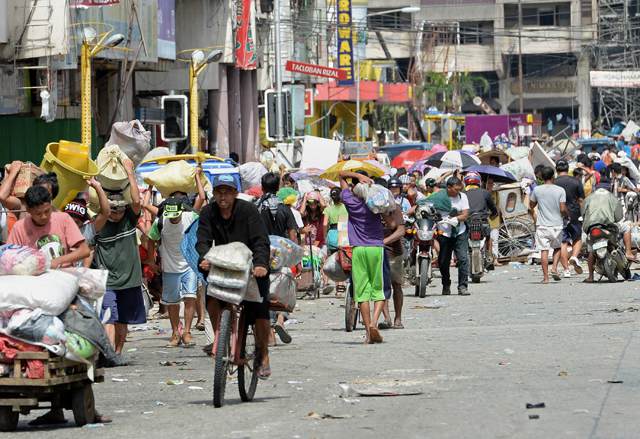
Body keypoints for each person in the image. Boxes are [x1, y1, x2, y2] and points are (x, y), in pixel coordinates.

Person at [196, 174, 272, 379]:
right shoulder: (207, 212)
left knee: (260, 308)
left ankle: (264, 354)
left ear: (235, 194)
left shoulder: (248, 210)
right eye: (219, 192)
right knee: (211, 297)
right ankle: (223, 339)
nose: (223, 197)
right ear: (213, 194)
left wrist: (261, 264)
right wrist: (204, 258)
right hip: (223, 266)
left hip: (250, 267)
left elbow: (260, 241)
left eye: (227, 192)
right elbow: (202, 239)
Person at [90, 159, 146, 357]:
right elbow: (89, 249)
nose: (117, 215)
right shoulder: (99, 224)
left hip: (130, 280)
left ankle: (118, 353)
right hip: (108, 281)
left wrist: (130, 172)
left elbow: (137, 202)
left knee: (123, 319)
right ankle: (108, 354)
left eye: (121, 211)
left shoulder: (130, 219)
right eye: (114, 211)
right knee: (110, 317)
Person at [338, 170, 394, 344]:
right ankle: (375, 323)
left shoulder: (349, 202)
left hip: (359, 250)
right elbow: (392, 224)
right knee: (379, 289)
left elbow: (341, 175)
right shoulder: (376, 203)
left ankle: (368, 335)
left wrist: (359, 177)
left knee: (361, 292)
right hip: (376, 248)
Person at [147, 196, 199, 347]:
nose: (173, 219)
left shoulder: (192, 217)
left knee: (191, 297)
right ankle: (175, 332)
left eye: (176, 215)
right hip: (170, 267)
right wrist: (151, 262)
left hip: (189, 265)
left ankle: (187, 332)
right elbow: (151, 240)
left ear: (182, 210)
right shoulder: (160, 222)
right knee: (173, 301)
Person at [255, 172, 297, 346]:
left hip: (262, 254)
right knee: (283, 288)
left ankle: (270, 334)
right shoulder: (285, 208)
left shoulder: (256, 207)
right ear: (278, 188)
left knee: (266, 291)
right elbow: (293, 236)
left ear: (262, 188)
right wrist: (297, 260)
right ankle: (281, 320)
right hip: (283, 254)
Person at [583, 179, 637, 282]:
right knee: (626, 228)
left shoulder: (589, 197)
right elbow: (619, 216)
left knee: (590, 251)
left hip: (592, 228)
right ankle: (629, 252)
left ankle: (590, 277)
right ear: (610, 187)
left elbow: (583, 213)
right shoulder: (612, 197)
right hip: (608, 227)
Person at [530, 167, 570, 284]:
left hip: (542, 225)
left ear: (541, 176)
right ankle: (554, 268)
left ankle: (546, 278)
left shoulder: (537, 190)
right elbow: (563, 209)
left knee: (544, 250)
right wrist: (566, 216)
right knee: (557, 247)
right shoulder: (560, 190)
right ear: (553, 176)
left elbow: (531, 205)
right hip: (556, 224)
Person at [375, 179, 405, 330]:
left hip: (393, 252)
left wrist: (384, 241)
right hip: (376, 252)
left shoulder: (394, 207)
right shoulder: (369, 208)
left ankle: (398, 317)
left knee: (396, 285)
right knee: (382, 287)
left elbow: (400, 230)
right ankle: (386, 318)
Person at [431, 177, 470, 295]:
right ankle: (446, 284)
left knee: (463, 258)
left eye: (460, 189)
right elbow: (425, 205)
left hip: (460, 232)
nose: (458, 191)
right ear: (448, 187)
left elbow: (465, 215)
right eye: (456, 189)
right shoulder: (439, 197)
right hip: (444, 233)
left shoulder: (463, 197)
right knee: (444, 261)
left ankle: (463, 286)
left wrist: (455, 219)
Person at [63, 178, 110, 267]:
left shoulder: (85, 232)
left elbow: (106, 213)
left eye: (76, 222)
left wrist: (98, 187)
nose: (72, 224)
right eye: (69, 220)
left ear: (82, 222)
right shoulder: (56, 226)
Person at [554, 159, 586, 278]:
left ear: (556, 170)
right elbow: (581, 200)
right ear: (568, 169)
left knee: (563, 242)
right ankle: (574, 256)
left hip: (558, 216)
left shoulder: (553, 182)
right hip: (574, 215)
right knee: (577, 237)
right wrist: (583, 214)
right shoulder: (576, 181)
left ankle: (566, 270)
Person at [464, 172, 498, 271]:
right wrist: (494, 213)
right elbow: (493, 206)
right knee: (488, 237)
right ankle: (490, 258)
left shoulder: (463, 193)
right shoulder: (485, 192)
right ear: (478, 181)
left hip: (467, 223)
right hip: (483, 222)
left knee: (462, 238)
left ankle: (460, 258)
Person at [485, 177, 502, 266]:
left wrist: (498, 216)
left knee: (495, 240)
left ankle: (495, 259)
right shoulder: (484, 194)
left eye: (492, 182)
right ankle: (487, 259)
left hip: (494, 220)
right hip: (485, 220)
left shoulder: (496, 194)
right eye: (489, 182)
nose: (490, 184)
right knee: (485, 240)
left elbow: (498, 207)